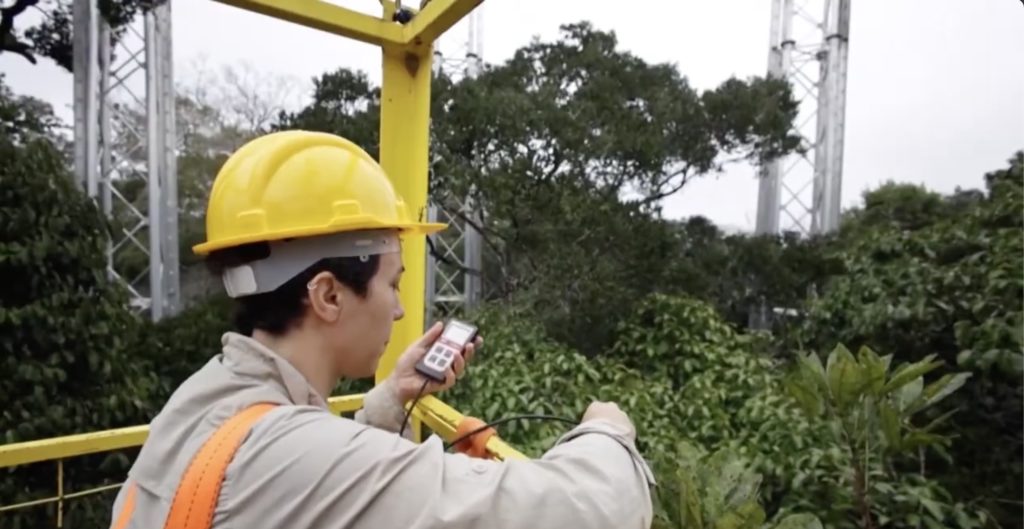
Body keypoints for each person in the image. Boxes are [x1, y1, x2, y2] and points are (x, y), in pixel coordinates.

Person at [108, 130, 655, 529]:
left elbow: (313, 486)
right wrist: (607, 432)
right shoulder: (291, 456)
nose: (398, 311)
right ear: (327, 295)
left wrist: (391, 399)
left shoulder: (203, 400)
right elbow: (589, 510)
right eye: (393, 284)